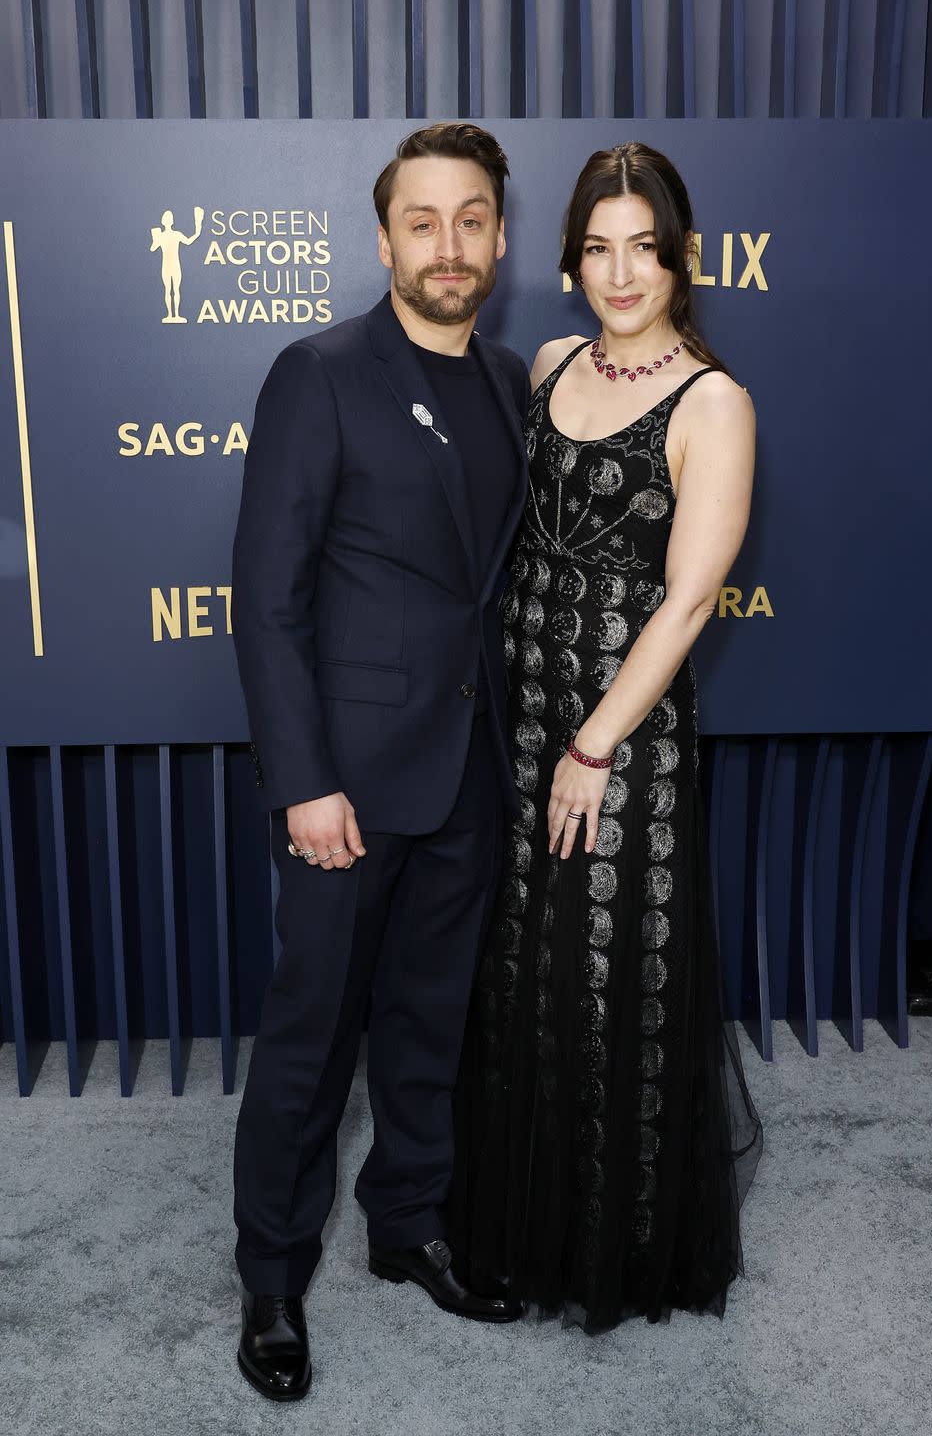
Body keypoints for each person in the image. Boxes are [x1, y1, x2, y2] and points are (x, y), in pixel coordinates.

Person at [230, 122, 530, 1402]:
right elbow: (268, 595)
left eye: (472, 219)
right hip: (345, 786)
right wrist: (304, 781)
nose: (448, 244)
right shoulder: (322, 372)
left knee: (427, 1021)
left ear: (500, 239)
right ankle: (272, 1278)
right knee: (312, 1038)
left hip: (468, 769)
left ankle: (407, 1226)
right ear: (385, 238)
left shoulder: (514, 383)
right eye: (424, 220)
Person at [451, 142, 764, 1334]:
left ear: (679, 254)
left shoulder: (713, 402)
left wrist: (591, 749)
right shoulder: (548, 363)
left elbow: (686, 603)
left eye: (644, 246)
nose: (620, 272)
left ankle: (612, 1251)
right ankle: (515, 1226)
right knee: (519, 970)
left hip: (618, 741)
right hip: (520, 717)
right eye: (597, 246)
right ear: (573, 255)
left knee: (608, 975)